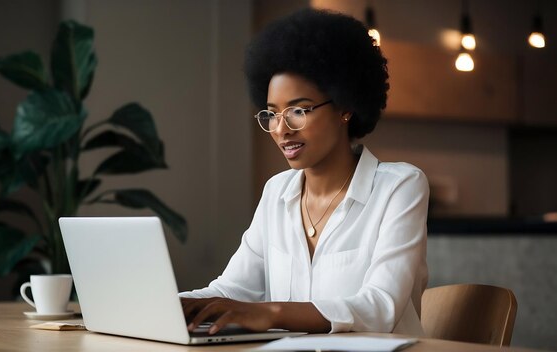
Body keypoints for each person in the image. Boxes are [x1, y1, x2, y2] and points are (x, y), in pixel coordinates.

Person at [180, 8, 429, 336]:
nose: (281, 129)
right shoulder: (277, 191)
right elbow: (232, 290)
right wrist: (165, 303)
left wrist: (272, 313)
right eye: (271, 113)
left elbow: (379, 307)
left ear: (345, 106)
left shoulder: (400, 187)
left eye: (298, 110)